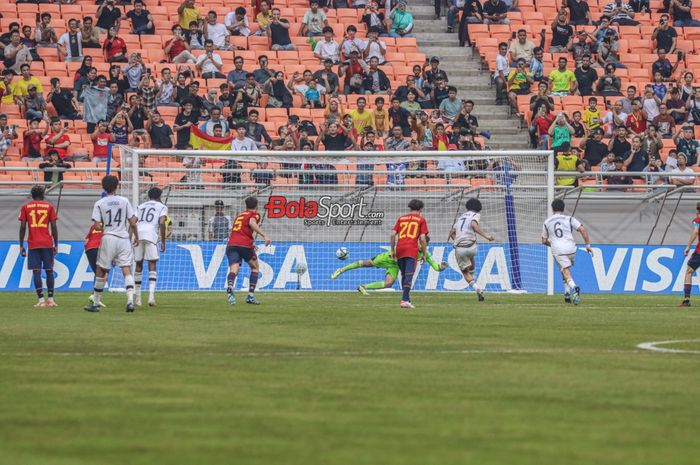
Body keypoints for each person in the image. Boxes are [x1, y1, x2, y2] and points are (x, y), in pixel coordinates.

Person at [84, 175, 139, 313]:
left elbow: (97, 226)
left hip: (109, 237)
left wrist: (105, 228)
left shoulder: (99, 203)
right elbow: (132, 222)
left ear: (103, 187)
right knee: (126, 268)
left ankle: (95, 303)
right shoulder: (124, 200)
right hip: (124, 238)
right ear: (117, 186)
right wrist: (136, 237)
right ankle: (130, 301)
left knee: (101, 270)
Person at [331, 240, 447, 294]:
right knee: (366, 264)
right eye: (420, 243)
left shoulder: (426, 254)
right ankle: (341, 270)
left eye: (423, 244)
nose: (421, 245)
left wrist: (442, 266)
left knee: (389, 284)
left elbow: (436, 268)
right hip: (388, 258)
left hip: (395, 265)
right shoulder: (409, 245)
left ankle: (362, 287)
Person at [542, 199, 593, 305]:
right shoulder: (570, 219)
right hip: (571, 249)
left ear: (552, 209)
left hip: (558, 250)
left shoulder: (547, 222)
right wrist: (587, 245)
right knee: (564, 270)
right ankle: (566, 294)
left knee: (565, 271)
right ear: (563, 208)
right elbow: (583, 230)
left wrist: (552, 244)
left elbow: (543, 241)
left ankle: (574, 288)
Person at [225, 197, 272, 305]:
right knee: (255, 268)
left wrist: (251, 242)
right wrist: (264, 235)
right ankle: (250, 296)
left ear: (246, 205)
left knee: (234, 270)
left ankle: (230, 287)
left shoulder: (239, 216)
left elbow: (238, 231)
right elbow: (252, 223)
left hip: (231, 244)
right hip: (244, 245)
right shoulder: (254, 214)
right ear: (256, 206)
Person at [18, 185, 59, 308]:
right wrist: (56, 244)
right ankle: (51, 300)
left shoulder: (25, 207)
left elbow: (23, 227)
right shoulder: (49, 207)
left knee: (36, 271)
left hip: (33, 243)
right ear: (43, 194)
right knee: (49, 271)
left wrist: (21, 245)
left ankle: (41, 300)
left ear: (31, 194)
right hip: (47, 242)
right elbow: (53, 226)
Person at [448, 198, 495, 301]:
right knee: (471, 255)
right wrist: (486, 236)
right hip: (472, 246)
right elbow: (474, 225)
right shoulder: (475, 215)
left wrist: (457, 240)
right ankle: (473, 274)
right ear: (478, 207)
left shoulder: (461, 218)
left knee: (465, 272)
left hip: (460, 248)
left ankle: (477, 288)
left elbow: (451, 232)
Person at [390, 199, 429, 309]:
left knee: (404, 274)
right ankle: (405, 300)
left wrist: (392, 250)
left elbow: (393, 234)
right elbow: (422, 238)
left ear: (409, 207)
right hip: (411, 249)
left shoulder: (401, 218)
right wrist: (424, 253)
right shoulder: (421, 220)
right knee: (409, 275)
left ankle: (406, 298)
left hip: (400, 248)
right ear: (421, 208)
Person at [134, 187, 168, 307]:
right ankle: (151, 297)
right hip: (150, 235)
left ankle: (137, 298)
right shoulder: (162, 207)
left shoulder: (140, 206)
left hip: (138, 234)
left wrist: (131, 237)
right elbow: (162, 223)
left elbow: (133, 221)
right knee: (152, 263)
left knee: (138, 264)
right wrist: (163, 241)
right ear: (159, 196)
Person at [680, 202, 700, 306]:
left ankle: (686, 300)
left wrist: (688, 246)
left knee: (689, 271)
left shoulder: (697, 220)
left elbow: (696, 232)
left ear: (697, 209)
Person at [84, 223, 106, 308]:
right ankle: (94, 297)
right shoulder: (108, 224)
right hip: (99, 247)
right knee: (102, 273)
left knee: (98, 273)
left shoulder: (94, 226)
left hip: (89, 249)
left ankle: (94, 296)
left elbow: (85, 240)